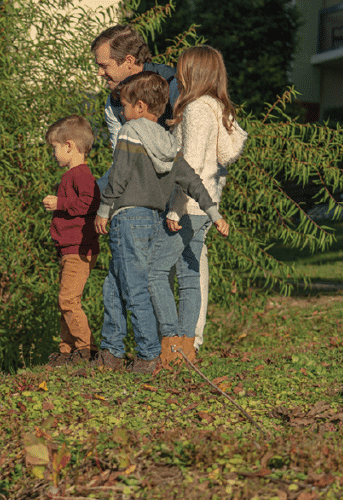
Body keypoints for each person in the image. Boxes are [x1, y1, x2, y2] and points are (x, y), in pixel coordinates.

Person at [93, 72, 229, 374]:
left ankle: (148, 354)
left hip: (126, 216)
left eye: (126, 105)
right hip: (153, 219)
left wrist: (104, 208)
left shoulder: (130, 131)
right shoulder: (168, 142)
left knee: (134, 288)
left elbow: (119, 174)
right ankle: (111, 351)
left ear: (140, 107)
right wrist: (214, 213)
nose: (123, 111)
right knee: (114, 285)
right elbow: (191, 180)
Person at [148, 45, 248, 366]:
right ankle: (186, 349)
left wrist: (175, 208)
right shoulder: (216, 108)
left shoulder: (196, 109)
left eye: (181, 69)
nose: (176, 74)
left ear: (193, 73)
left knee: (155, 271)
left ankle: (172, 345)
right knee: (190, 275)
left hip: (187, 206)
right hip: (205, 208)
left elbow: (188, 164)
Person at [42, 115, 101, 366]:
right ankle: (67, 351)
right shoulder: (71, 175)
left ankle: (85, 350)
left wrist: (59, 204)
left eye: (54, 148)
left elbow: (90, 202)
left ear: (68, 146)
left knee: (68, 300)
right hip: (69, 248)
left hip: (79, 249)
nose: (53, 154)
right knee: (64, 300)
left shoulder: (80, 174)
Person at [91, 24, 179, 192]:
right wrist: (92, 195)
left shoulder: (173, 85)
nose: (99, 73)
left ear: (129, 61)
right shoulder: (114, 103)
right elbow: (121, 162)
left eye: (104, 66)